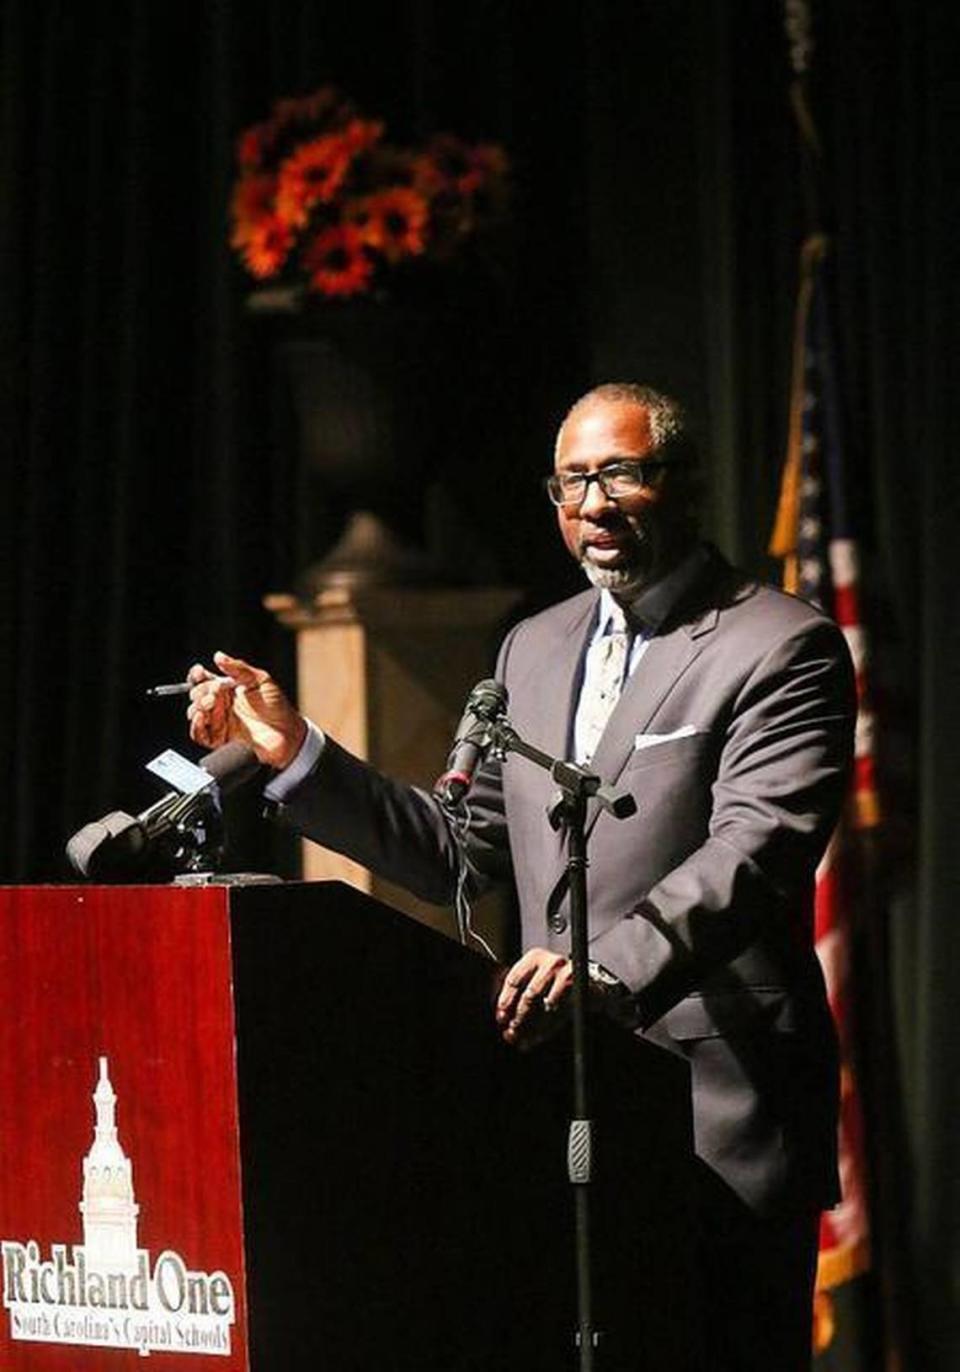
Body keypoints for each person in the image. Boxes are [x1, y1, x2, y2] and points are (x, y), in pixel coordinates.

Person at [187, 383, 855, 1370]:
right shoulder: (534, 648)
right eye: (571, 480)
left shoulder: (777, 644)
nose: (592, 504)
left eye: (619, 473)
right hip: (557, 1120)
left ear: (685, 484)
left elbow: (753, 850)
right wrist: (296, 753)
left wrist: (604, 969)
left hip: (715, 1113)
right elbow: (456, 846)